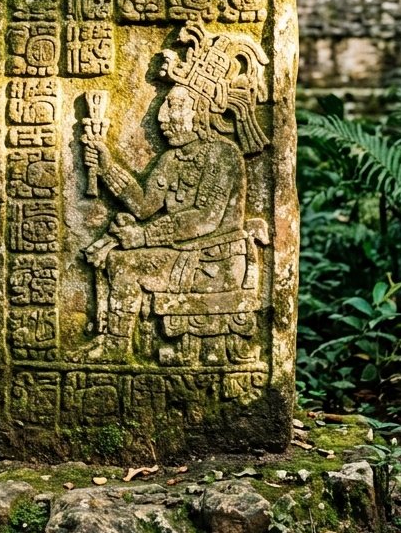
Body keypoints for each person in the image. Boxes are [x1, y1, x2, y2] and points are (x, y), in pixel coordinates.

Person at [81, 25, 269, 363]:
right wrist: (107, 166)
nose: (163, 117)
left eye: (175, 108)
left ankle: (115, 347)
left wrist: (141, 238)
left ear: (199, 112)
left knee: (126, 265)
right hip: (184, 254)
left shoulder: (222, 155)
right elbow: (144, 204)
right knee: (117, 258)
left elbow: (204, 220)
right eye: (165, 109)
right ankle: (110, 342)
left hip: (214, 260)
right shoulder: (172, 159)